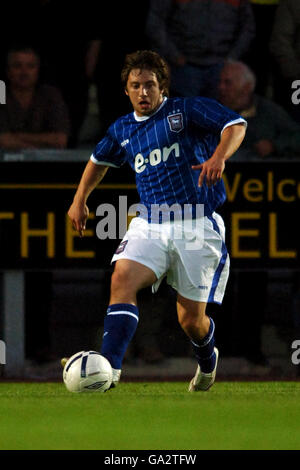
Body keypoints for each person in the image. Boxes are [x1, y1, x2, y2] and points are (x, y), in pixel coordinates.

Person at [67, 50, 246, 391]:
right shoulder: (122, 129)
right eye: (136, 86)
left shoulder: (186, 110)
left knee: (190, 321)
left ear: (162, 86)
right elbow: (97, 160)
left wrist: (219, 156)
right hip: (150, 222)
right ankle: (109, 372)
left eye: (150, 85)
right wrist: (79, 199)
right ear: (127, 90)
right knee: (121, 278)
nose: (143, 92)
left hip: (197, 225)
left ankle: (208, 362)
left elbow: (235, 125)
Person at [145, 0, 255, 99]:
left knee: (216, 116)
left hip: (222, 67)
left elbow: (248, 27)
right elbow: (155, 23)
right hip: (183, 67)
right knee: (182, 114)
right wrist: (173, 54)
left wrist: (232, 57)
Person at [218, 60, 300, 159]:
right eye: (220, 82)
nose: (221, 87)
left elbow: (296, 135)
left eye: (228, 83)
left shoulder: (267, 110)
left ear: (246, 88)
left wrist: (274, 145)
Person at [0, 45, 70, 150]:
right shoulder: (1, 93)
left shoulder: (50, 95)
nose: (24, 72)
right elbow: (2, 139)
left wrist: (17, 137)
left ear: (38, 70)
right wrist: (36, 150)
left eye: (30, 66)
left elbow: (60, 139)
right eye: (17, 66)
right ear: (8, 71)